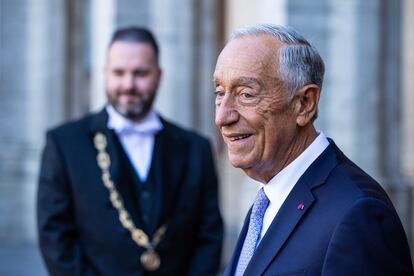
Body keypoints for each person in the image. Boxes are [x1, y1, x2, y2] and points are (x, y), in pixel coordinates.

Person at [213, 24, 413, 276]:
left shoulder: (357, 214)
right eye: (219, 93)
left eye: (246, 94)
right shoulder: (269, 198)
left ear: (305, 103)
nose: (222, 116)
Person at [37, 26, 223, 276]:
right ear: (104, 74)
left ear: (159, 75)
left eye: (140, 73)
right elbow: (55, 237)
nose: (128, 84)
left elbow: (209, 236)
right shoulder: (64, 144)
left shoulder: (196, 149)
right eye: (118, 73)